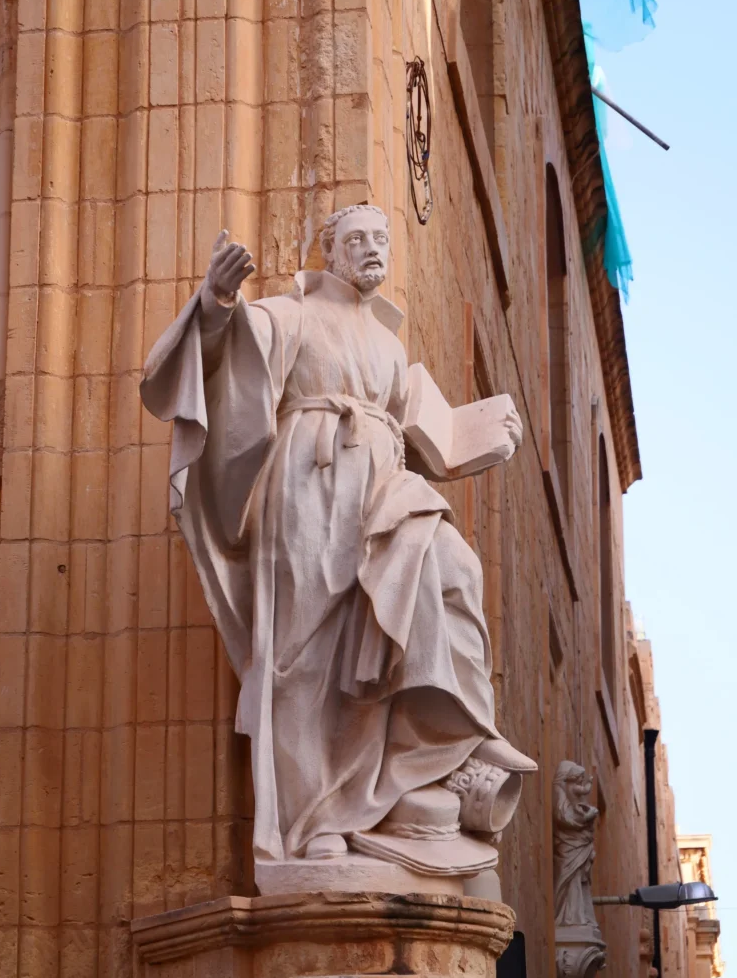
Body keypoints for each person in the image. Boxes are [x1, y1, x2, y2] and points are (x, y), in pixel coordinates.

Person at [141, 205, 536, 866]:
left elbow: (429, 436)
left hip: (385, 484)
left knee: (454, 569)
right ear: (330, 250)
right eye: (357, 240)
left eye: (380, 239)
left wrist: (488, 438)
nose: (372, 249)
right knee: (307, 653)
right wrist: (215, 300)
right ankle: (314, 822)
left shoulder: (390, 346)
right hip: (310, 485)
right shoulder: (290, 314)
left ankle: (459, 733)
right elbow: (219, 361)